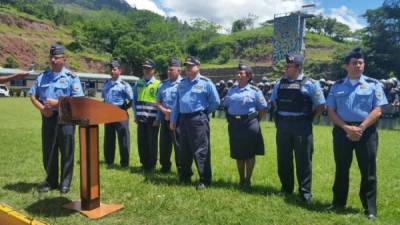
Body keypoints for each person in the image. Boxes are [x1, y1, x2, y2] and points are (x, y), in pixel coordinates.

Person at [326, 48, 387, 220]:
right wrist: (346, 128)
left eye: (361, 62)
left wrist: (360, 128)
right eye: (354, 63)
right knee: (341, 169)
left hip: (366, 133)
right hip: (341, 131)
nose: (358, 65)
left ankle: (370, 208)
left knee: (368, 171)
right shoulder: (337, 86)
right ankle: (338, 203)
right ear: (346, 66)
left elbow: (378, 110)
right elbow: (330, 110)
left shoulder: (374, 84)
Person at [270, 53, 325, 204]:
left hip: (301, 125)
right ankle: (286, 188)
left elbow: (320, 104)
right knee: (283, 158)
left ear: (298, 67)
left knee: (303, 160)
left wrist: (307, 117)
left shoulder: (311, 83)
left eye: (289, 66)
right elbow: (273, 101)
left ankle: (305, 192)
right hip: (283, 125)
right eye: (285, 66)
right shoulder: (279, 83)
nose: (285, 69)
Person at [29, 43, 84, 194]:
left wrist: (57, 102)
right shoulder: (43, 76)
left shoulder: (71, 77)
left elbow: (78, 100)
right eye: (51, 57)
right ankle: (51, 181)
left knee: (67, 150)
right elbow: (32, 95)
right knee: (49, 151)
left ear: (63, 59)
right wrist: (42, 108)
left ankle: (65, 182)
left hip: (66, 118)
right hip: (48, 118)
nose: (53, 60)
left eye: (56, 57)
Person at [170, 56, 220, 189]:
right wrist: (173, 120)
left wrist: (204, 113)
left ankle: (204, 179)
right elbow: (176, 104)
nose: (188, 68)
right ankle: (185, 177)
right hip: (183, 119)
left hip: (198, 119)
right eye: (187, 66)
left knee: (201, 150)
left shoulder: (206, 83)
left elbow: (215, 102)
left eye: (191, 66)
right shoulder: (182, 84)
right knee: (183, 150)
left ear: (198, 67)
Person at [223, 64, 268, 189]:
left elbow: (263, 108)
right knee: (238, 153)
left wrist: (255, 119)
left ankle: (248, 180)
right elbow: (226, 105)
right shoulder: (231, 90)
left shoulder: (255, 91)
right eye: (237, 73)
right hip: (235, 124)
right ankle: (241, 179)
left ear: (248, 76)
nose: (238, 75)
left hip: (250, 123)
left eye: (241, 73)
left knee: (249, 154)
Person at [102, 59, 133, 168]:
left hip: (120, 112)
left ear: (120, 70)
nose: (112, 71)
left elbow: (132, 99)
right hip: (108, 113)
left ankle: (124, 163)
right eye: (111, 69)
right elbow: (104, 99)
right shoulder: (106, 84)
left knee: (123, 138)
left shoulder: (124, 85)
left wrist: (125, 108)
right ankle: (109, 161)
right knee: (108, 138)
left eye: (114, 69)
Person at [132, 59, 160, 172]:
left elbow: (160, 103)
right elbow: (134, 100)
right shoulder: (138, 83)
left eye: (149, 68)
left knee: (151, 143)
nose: (146, 70)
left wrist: (158, 118)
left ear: (154, 70)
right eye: (145, 68)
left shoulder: (158, 84)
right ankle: (144, 164)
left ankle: (151, 165)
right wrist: (135, 115)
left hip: (152, 119)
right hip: (140, 118)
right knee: (141, 142)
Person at [155, 58, 182, 173]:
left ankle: (181, 168)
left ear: (179, 70)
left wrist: (173, 114)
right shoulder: (162, 85)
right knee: (164, 146)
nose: (169, 72)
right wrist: (164, 112)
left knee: (179, 146)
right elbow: (157, 102)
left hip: (178, 121)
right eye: (168, 70)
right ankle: (165, 167)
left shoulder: (184, 84)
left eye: (171, 70)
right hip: (165, 120)